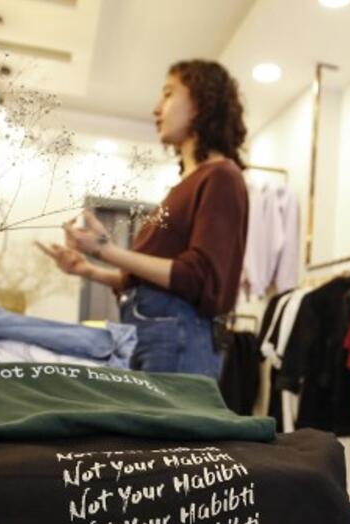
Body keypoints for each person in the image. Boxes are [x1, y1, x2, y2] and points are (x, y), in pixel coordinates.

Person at [41, 60, 248, 378]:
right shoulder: (188, 184)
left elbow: (198, 277)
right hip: (159, 333)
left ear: (201, 102)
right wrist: (87, 269)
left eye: (168, 94)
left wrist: (105, 249)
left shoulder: (221, 176)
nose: (156, 108)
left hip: (177, 336)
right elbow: (152, 281)